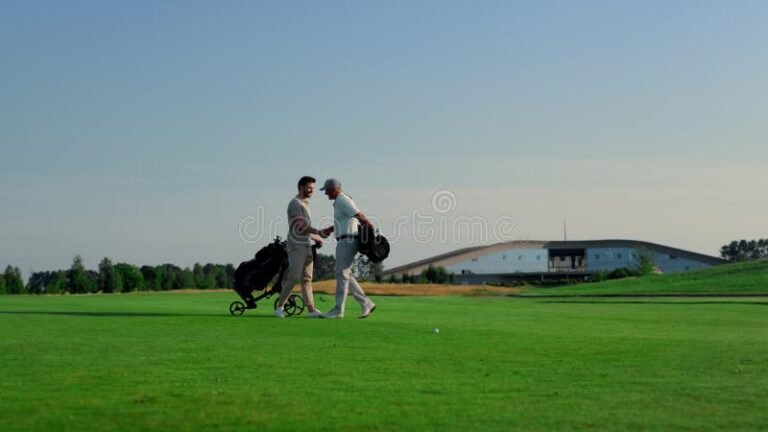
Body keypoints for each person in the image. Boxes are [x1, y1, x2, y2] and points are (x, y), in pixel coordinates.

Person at [318, 178, 376, 319]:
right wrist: (331, 229)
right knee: (346, 275)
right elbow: (347, 220)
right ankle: (366, 303)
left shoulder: (342, 200)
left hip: (347, 241)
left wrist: (371, 228)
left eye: (327, 190)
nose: (326, 193)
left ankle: (338, 310)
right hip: (346, 240)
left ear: (333, 189)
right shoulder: (339, 202)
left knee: (341, 274)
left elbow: (359, 215)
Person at [275, 176, 330, 318]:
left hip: (306, 245)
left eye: (313, 188)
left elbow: (303, 228)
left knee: (306, 279)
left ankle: (311, 310)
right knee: (294, 277)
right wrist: (318, 232)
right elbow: (300, 226)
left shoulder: (305, 204)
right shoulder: (295, 203)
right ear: (301, 187)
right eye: (309, 187)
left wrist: (314, 237)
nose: (312, 190)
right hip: (296, 245)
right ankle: (280, 307)